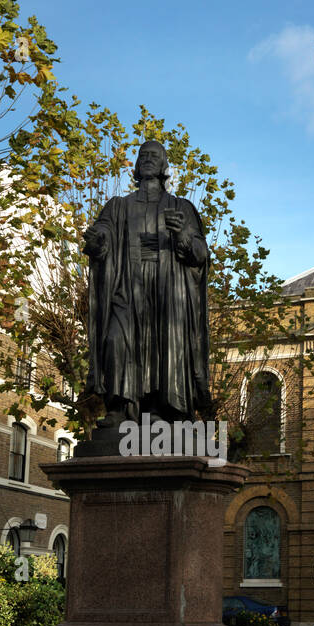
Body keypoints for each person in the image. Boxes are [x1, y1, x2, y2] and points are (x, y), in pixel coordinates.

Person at [83, 140, 211, 427]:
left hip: (167, 290)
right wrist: (97, 241)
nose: (148, 159)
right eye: (143, 156)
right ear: (137, 166)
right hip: (127, 286)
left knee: (163, 346)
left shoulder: (182, 207)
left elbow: (200, 255)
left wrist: (182, 237)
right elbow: (101, 235)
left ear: (165, 166)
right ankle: (118, 407)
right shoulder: (118, 207)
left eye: (155, 156)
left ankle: (160, 409)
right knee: (117, 339)